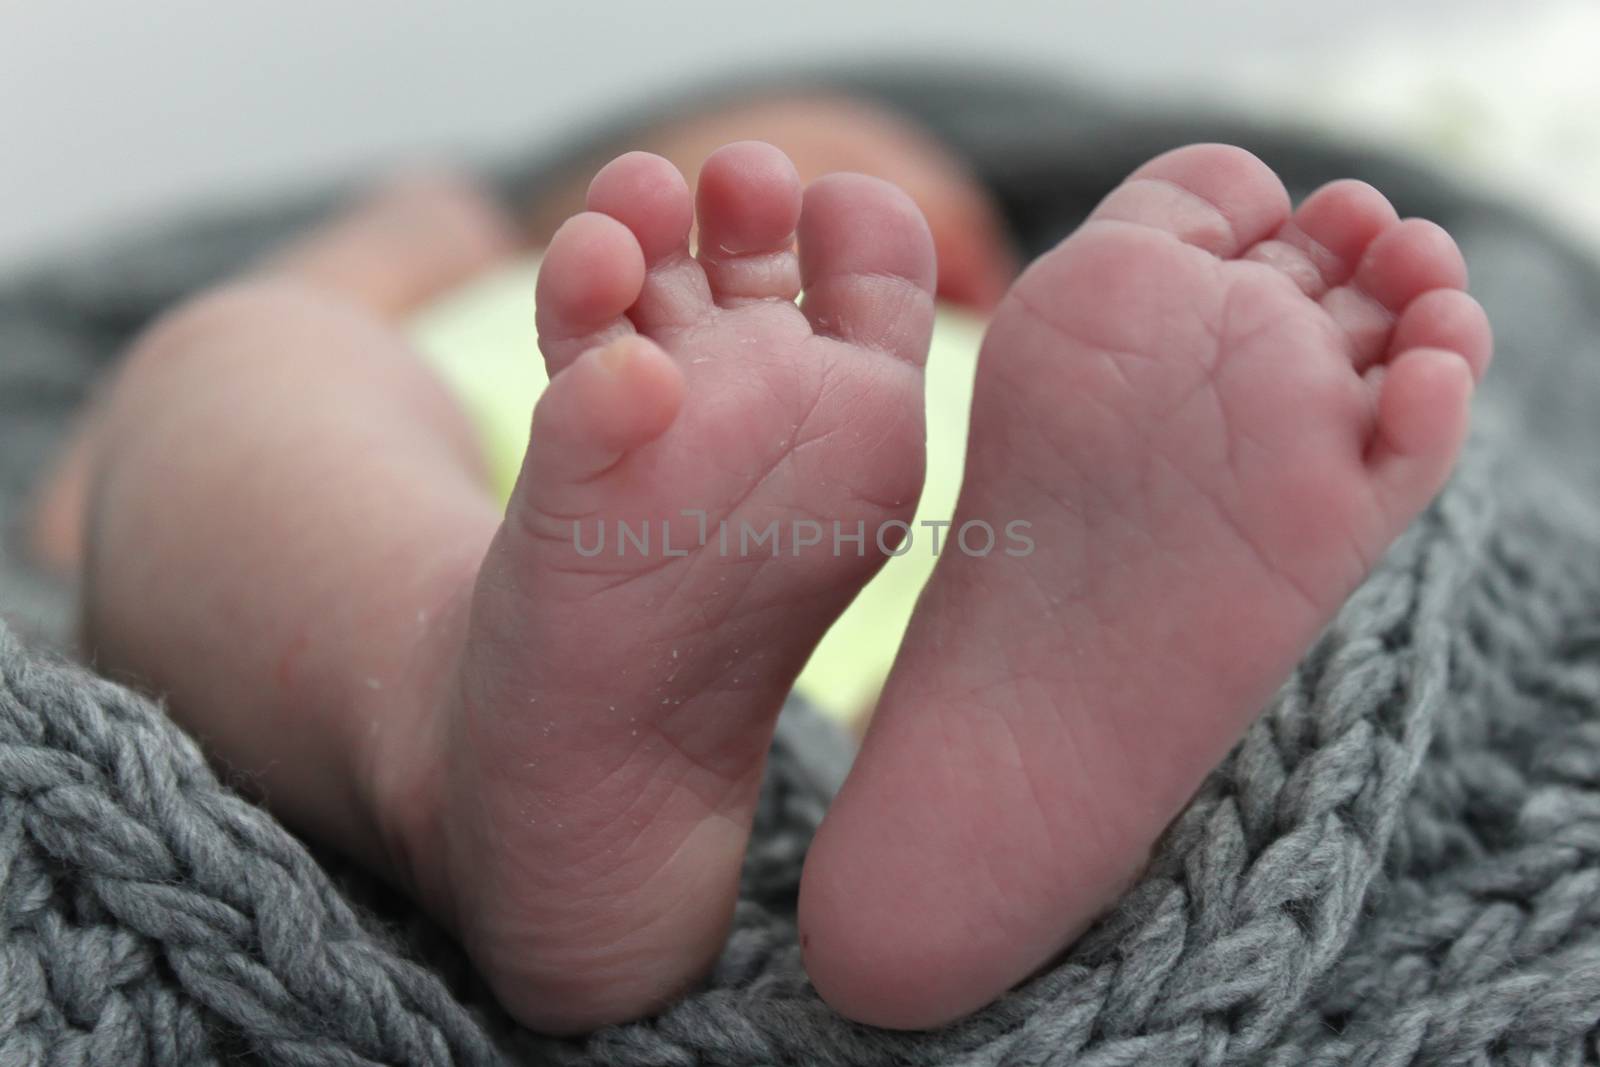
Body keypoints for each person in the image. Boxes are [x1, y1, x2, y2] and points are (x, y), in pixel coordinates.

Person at [29, 92, 1490, 1034]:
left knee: (226, 365)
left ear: (980, 282)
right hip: (809, 566)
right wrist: (411, 240)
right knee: (254, 361)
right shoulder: (465, 301)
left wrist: (380, 250)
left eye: (859, 202)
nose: (778, 263)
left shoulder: (1028, 379)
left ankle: (462, 733)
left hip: (857, 558)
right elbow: (63, 509)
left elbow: (90, 506)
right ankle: (504, 719)